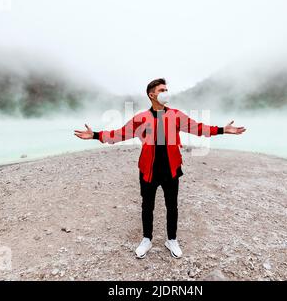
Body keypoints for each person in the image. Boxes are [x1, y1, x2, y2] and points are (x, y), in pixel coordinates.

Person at [74, 78, 246, 259]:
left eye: (166, 89)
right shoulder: (141, 118)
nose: (166, 92)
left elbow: (198, 128)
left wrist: (222, 130)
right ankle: (146, 239)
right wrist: (94, 135)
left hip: (171, 170)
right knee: (147, 206)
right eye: (162, 90)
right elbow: (119, 134)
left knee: (172, 206)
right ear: (152, 95)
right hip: (148, 170)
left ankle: (171, 240)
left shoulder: (176, 115)